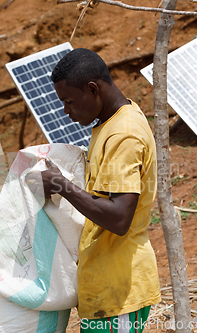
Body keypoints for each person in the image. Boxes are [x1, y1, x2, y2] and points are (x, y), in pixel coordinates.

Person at [39, 48, 161, 333]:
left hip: (119, 289)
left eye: (68, 101)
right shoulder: (111, 124)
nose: (65, 110)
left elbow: (119, 218)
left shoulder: (123, 134)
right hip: (105, 283)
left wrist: (61, 185)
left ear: (92, 89)